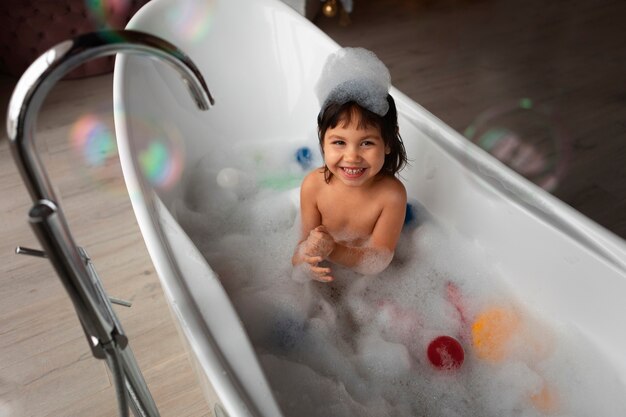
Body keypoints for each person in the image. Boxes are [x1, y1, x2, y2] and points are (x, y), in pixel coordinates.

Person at [292, 47, 408, 282]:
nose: (352, 156)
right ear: (322, 140)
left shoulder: (391, 195)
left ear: (388, 142)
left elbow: (378, 261)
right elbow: (299, 254)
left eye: (366, 143)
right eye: (339, 142)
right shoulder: (314, 186)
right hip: (325, 276)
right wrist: (306, 256)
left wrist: (332, 249)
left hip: (366, 282)